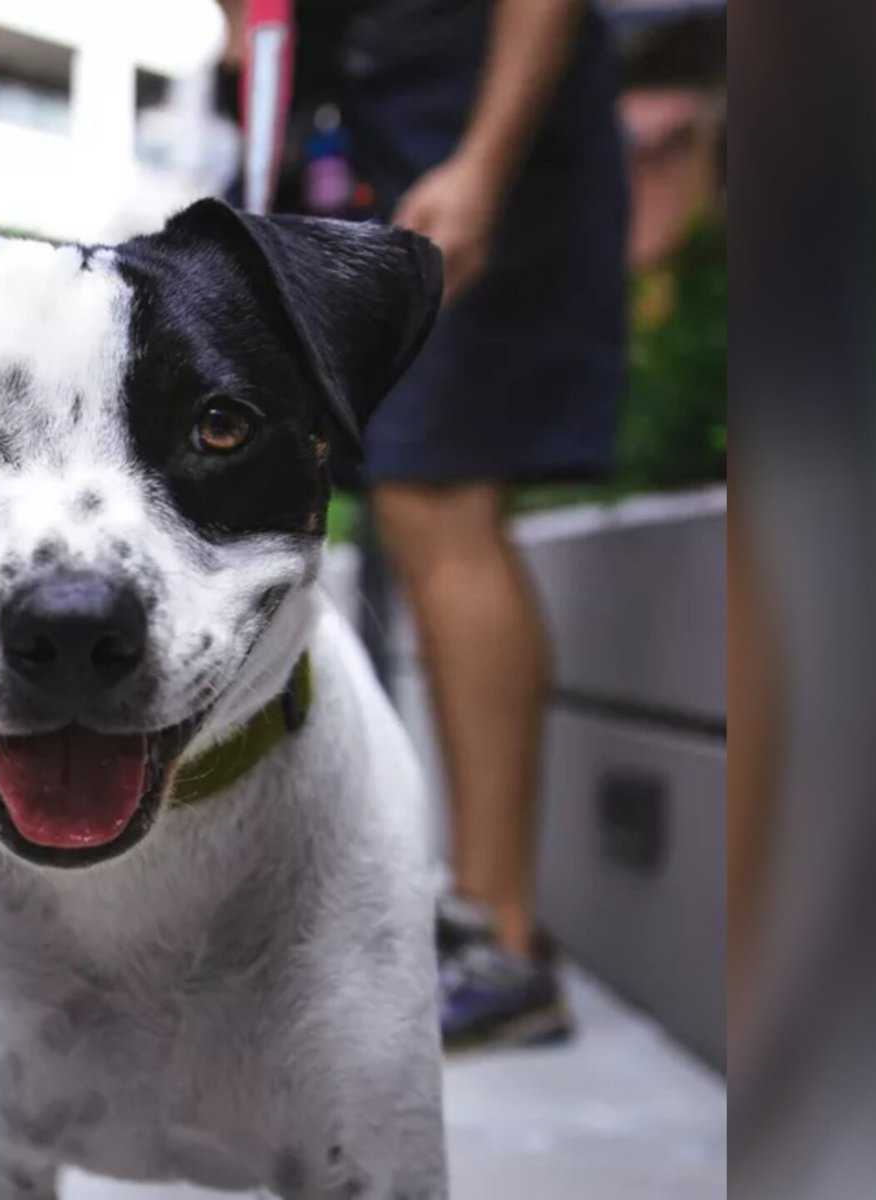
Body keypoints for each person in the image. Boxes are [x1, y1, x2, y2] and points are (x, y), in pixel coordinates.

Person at [224, 0, 629, 1051]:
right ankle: (424, 917)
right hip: (354, 121)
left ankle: (501, 946)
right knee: (333, 490)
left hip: (475, 126)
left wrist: (487, 163)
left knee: (437, 494)